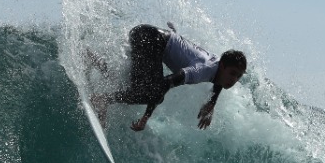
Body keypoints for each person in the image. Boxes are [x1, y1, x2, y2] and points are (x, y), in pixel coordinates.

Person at [92, 23, 247, 132]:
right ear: (223, 66)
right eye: (232, 74)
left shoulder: (218, 68)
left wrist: (212, 103)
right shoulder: (202, 70)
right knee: (152, 94)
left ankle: (94, 60)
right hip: (150, 39)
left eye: (238, 76)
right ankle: (103, 99)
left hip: (147, 35)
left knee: (132, 84)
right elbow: (165, 83)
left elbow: (220, 81)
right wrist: (146, 116)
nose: (234, 80)